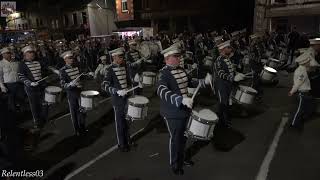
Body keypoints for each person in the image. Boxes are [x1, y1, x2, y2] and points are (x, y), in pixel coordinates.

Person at [157, 45, 212, 175]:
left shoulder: (181, 69)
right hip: (172, 112)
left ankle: (182, 158)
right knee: (176, 138)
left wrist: (203, 82)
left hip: (185, 109)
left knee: (184, 137)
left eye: (178, 56)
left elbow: (189, 81)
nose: (178, 59)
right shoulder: (163, 73)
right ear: (167, 58)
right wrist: (180, 99)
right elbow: (162, 91)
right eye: (175, 57)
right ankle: (175, 164)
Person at [102, 48, 140, 152]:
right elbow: (104, 85)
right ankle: (121, 144)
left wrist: (135, 80)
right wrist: (116, 91)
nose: (122, 59)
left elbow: (128, 81)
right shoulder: (109, 69)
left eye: (122, 57)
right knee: (120, 123)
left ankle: (128, 140)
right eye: (120, 57)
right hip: (117, 100)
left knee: (127, 121)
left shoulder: (124, 67)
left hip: (127, 98)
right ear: (114, 57)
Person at [59, 50, 93, 136]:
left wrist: (88, 74)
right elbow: (63, 84)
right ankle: (77, 129)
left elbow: (82, 75)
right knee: (74, 112)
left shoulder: (76, 67)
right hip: (72, 94)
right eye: (70, 58)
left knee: (82, 111)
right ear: (65, 59)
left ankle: (82, 127)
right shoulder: (62, 70)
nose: (72, 60)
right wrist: (69, 84)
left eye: (72, 58)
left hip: (80, 92)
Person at [213, 40, 245, 128]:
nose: (230, 49)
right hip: (221, 86)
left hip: (227, 85)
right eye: (228, 48)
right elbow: (220, 73)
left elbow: (231, 70)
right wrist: (232, 78)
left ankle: (222, 121)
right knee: (223, 103)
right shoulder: (219, 60)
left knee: (226, 103)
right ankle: (222, 122)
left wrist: (236, 73)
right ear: (223, 49)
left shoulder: (227, 59)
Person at [17, 45, 49, 129]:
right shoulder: (22, 64)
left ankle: (43, 118)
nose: (32, 54)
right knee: (34, 105)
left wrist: (54, 70)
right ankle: (37, 121)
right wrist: (29, 83)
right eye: (29, 53)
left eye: (32, 52)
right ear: (25, 54)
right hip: (31, 88)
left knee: (45, 103)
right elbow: (21, 76)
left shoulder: (38, 61)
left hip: (41, 86)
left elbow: (46, 68)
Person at [288, 49, 313, 131]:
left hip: (304, 93)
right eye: (308, 61)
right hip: (302, 93)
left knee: (304, 109)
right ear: (305, 62)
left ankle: (297, 122)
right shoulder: (302, 71)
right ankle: (294, 124)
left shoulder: (302, 69)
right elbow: (298, 83)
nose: (310, 63)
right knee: (299, 110)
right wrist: (292, 91)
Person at [0, 47, 24, 112]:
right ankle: (14, 115)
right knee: (11, 101)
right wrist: (2, 87)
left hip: (18, 83)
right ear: (3, 55)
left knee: (21, 98)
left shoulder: (16, 62)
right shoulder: (1, 64)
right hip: (9, 85)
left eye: (9, 53)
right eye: (7, 53)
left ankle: (23, 112)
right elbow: (0, 77)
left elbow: (20, 72)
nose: (9, 54)